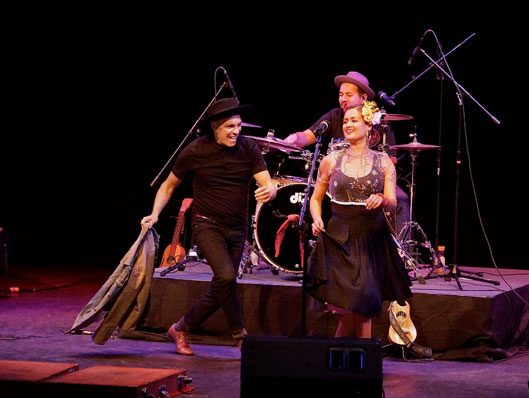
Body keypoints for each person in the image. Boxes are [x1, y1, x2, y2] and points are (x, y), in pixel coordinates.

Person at [141, 97, 277, 355]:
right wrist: (155, 213)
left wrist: (269, 192)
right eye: (230, 126)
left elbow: (268, 184)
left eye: (238, 126)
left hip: (237, 228)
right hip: (207, 225)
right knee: (226, 277)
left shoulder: (248, 148)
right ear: (214, 126)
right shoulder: (195, 151)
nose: (236, 131)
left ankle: (181, 327)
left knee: (222, 284)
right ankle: (240, 335)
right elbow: (169, 185)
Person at [305, 100, 413, 338]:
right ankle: (354, 360)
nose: (348, 125)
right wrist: (316, 219)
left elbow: (393, 201)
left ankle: (348, 359)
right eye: (345, 121)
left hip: (370, 236)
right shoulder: (331, 160)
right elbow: (315, 199)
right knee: (354, 305)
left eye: (354, 120)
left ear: (368, 126)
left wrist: (382, 199)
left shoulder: (383, 162)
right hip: (339, 236)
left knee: (362, 301)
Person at [284, 71, 409, 233]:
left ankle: (398, 250)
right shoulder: (334, 116)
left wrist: (381, 194)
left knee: (402, 200)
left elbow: (391, 161)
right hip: (338, 178)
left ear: (363, 98)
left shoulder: (380, 123)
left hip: (374, 184)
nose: (343, 99)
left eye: (349, 95)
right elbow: (307, 136)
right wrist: (294, 138)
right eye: (341, 94)